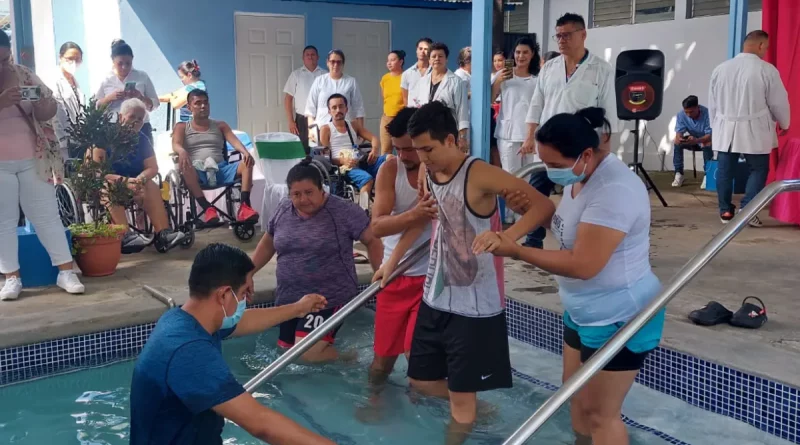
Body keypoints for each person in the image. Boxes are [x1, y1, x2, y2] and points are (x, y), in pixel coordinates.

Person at [475, 107, 665, 445]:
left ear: (586, 154)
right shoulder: (582, 176)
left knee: (600, 415)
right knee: (575, 399)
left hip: (620, 315)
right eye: (546, 163)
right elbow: (572, 229)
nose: (550, 173)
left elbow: (584, 264)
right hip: (583, 311)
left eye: (557, 166)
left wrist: (516, 250)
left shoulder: (615, 190)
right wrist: (529, 214)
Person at [380, 101, 555, 445]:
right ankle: (479, 409)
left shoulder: (479, 173)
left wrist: (507, 237)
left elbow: (543, 205)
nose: (422, 159)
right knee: (420, 379)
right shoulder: (429, 173)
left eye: (428, 149)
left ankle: (468, 411)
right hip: (436, 296)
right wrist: (392, 262)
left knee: (461, 404)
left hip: (474, 308)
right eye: (418, 151)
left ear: (451, 140)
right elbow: (429, 219)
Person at [129, 243, 335, 445]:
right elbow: (260, 423)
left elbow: (244, 321)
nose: (247, 300)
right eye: (244, 293)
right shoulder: (188, 351)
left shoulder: (181, 319)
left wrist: (298, 309)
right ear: (224, 294)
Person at [250, 158, 383, 363]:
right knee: (287, 355)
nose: (303, 199)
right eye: (296, 194)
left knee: (307, 353)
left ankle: (350, 360)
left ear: (322, 190)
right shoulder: (284, 209)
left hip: (328, 298)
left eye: (309, 192)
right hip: (290, 299)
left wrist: (379, 277)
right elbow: (268, 242)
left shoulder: (343, 211)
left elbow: (373, 240)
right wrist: (249, 272)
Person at [0, 31, 84, 300]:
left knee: (47, 216)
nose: (3, 65)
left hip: (33, 158)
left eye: (5, 59)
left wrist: (44, 104)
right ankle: (11, 278)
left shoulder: (24, 74)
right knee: (4, 221)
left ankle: (65, 271)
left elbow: (46, 112)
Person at [367, 107, 433, 389]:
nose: (404, 155)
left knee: (416, 358)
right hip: (393, 275)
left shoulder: (437, 169)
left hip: (429, 277)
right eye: (398, 148)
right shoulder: (389, 169)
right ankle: (374, 403)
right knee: (382, 361)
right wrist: (416, 213)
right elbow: (378, 226)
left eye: (409, 149)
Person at [708, 30, 790, 226]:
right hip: (754, 127)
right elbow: (778, 102)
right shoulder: (766, 70)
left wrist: (715, 128)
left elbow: (713, 103)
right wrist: (784, 123)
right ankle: (748, 209)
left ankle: (725, 212)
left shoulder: (720, 69)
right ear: (761, 45)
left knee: (725, 170)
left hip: (725, 127)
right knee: (758, 169)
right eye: (766, 47)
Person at [92, 98, 184, 252]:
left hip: (135, 184)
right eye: (132, 116)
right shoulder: (104, 136)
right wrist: (124, 181)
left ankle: (163, 234)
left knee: (151, 184)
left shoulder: (142, 139)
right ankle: (125, 235)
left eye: (140, 119)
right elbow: (98, 172)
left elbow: (152, 168)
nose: (136, 121)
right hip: (109, 183)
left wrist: (139, 179)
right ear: (121, 117)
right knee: (108, 186)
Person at [522, 13, 618, 156]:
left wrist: (603, 157)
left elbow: (608, 113)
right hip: (548, 142)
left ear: (583, 35)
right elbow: (537, 103)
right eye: (558, 36)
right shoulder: (549, 68)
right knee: (541, 177)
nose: (561, 40)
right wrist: (529, 137)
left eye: (566, 35)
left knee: (575, 177)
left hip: (580, 145)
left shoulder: (602, 69)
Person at [172, 90, 259, 225]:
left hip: (221, 169)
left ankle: (245, 207)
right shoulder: (182, 127)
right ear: (189, 107)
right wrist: (182, 151)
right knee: (185, 167)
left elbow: (235, 142)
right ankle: (208, 209)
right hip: (198, 171)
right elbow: (176, 144)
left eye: (205, 103)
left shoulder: (220, 125)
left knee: (247, 162)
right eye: (198, 103)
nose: (203, 106)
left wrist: (245, 152)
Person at [492, 37, 542, 226]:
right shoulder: (503, 75)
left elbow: (539, 107)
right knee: (511, 176)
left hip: (530, 135)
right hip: (508, 134)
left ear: (532, 55)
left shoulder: (537, 80)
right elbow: (490, 97)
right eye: (518, 52)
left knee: (528, 178)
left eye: (525, 53)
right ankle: (509, 213)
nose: (521, 56)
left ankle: (523, 215)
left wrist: (532, 136)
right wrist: (499, 81)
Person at [320, 93, 384, 210]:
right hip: (343, 168)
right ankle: (361, 211)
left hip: (360, 161)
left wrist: (374, 150)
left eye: (341, 106)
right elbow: (325, 158)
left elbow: (374, 139)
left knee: (389, 160)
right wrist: (342, 160)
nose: (338, 110)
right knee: (367, 180)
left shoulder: (353, 125)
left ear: (346, 109)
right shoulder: (326, 129)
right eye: (334, 107)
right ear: (329, 111)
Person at [408, 42, 470, 153]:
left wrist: (462, 138)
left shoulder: (456, 82)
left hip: (447, 133)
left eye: (440, 56)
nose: (437, 59)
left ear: (446, 59)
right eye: (434, 56)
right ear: (429, 60)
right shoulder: (422, 82)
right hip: (425, 133)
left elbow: (462, 112)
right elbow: (416, 107)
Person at [95, 40, 159, 143]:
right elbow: (96, 106)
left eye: (128, 63)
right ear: (113, 61)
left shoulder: (142, 76)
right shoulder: (106, 79)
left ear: (132, 60)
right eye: (120, 64)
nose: (124, 67)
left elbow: (155, 103)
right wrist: (109, 98)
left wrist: (140, 97)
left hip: (141, 126)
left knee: (144, 156)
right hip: (113, 127)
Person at [306, 49, 365, 144]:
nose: (335, 65)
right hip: (321, 128)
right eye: (332, 61)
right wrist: (311, 132)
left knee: (345, 156)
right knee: (322, 158)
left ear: (343, 64)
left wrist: (361, 132)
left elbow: (359, 109)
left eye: (339, 62)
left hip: (345, 130)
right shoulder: (319, 81)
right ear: (327, 63)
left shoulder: (351, 81)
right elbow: (310, 109)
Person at [284, 46, 326, 151]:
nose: (310, 57)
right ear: (303, 58)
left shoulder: (325, 75)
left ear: (318, 57)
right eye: (307, 55)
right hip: (302, 121)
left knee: (320, 149)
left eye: (313, 54)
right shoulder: (296, 75)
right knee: (303, 151)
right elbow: (288, 99)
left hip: (321, 119)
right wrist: (290, 121)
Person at [671, 95, 713, 188]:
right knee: (676, 142)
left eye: (691, 112)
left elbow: (709, 135)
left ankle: (707, 175)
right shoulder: (681, 114)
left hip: (705, 140)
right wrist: (680, 137)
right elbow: (679, 132)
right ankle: (679, 173)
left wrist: (697, 140)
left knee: (706, 143)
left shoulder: (708, 114)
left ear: (698, 107)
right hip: (692, 140)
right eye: (686, 112)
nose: (689, 115)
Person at [52, 41, 84, 159]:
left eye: (78, 59)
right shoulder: (54, 80)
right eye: (70, 58)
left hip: (78, 138)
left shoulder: (74, 81)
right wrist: (64, 138)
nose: (74, 63)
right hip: (62, 140)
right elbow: (57, 112)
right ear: (60, 57)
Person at [380, 50, 406, 155]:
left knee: (403, 149)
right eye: (388, 60)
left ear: (400, 62)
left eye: (393, 60)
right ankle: (385, 170)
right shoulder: (385, 78)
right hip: (386, 117)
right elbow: (384, 97)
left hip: (401, 118)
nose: (389, 63)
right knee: (385, 150)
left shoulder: (406, 77)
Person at [401, 37, 432, 106]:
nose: (422, 52)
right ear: (416, 50)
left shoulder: (436, 72)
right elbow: (405, 98)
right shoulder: (406, 74)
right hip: (413, 113)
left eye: (426, 49)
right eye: (420, 49)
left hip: (430, 113)